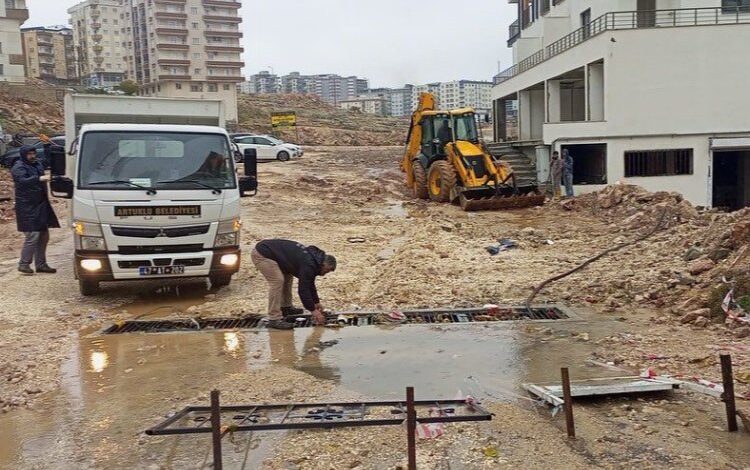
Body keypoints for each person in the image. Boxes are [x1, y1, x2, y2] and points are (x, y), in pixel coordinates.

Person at [251, 239, 337, 330]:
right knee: (277, 281)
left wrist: (316, 302)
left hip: (277, 256)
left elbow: (309, 282)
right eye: (326, 271)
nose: (324, 274)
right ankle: (274, 318)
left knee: (287, 276)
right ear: (323, 265)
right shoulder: (309, 264)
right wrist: (313, 310)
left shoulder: (314, 261)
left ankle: (286, 307)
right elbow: (303, 290)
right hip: (262, 254)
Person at [11, 144, 60, 274]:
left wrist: (47, 146)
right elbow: (22, 180)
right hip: (27, 206)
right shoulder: (19, 166)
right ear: (23, 155)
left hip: (40, 204)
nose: (32, 156)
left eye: (33, 153)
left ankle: (41, 264)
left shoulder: (37, 163)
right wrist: (39, 178)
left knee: (44, 235)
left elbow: (48, 161)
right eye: (29, 154)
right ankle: (24, 263)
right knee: (33, 235)